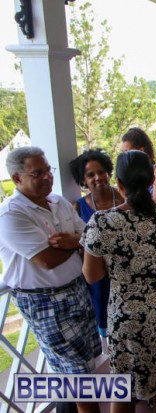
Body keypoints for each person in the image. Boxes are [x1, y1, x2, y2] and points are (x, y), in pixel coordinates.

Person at [81, 150, 156, 412]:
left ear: (119, 184)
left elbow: (93, 276)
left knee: (123, 389)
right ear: (151, 181)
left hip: (128, 319)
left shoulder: (102, 222)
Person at [0, 147, 101, 413]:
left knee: (83, 367)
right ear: (17, 178)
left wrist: (73, 241)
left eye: (48, 170)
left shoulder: (58, 202)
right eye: (38, 173)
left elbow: (89, 236)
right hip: (45, 301)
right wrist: (77, 243)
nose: (47, 176)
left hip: (77, 290)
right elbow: (47, 260)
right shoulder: (11, 214)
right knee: (77, 377)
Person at [69, 149, 124, 338]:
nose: (98, 177)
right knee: (107, 329)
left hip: (127, 274)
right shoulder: (78, 207)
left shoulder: (124, 199)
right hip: (98, 280)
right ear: (83, 180)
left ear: (108, 173)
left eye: (101, 172)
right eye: (90, 175)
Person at [120, 127, 156, 200]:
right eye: (123, 153)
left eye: (127, 152)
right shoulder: (130, 175)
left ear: (141, 151)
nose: (124, 157)